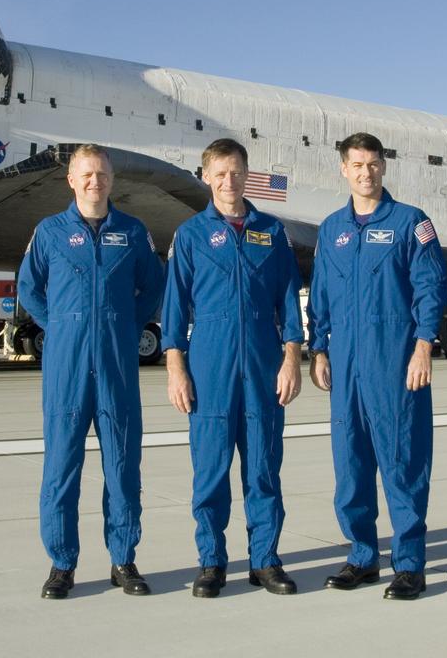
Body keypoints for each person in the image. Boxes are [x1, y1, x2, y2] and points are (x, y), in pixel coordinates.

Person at [17, 144, 165, 600]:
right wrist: (62, 326)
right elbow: (30, 288)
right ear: (71, 179)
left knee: (122, 465)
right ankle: (62, 563)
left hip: (118, 366)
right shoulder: (49, 233)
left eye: (101, 173)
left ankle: (123, 558)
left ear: (111, 179)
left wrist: (122, 326)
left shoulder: (133, 232)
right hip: (67, 367)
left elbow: (153, 289)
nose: (94, 181)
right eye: (86, 174)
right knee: (62, 466)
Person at [307, 132, 447, 601]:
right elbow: (322, 293)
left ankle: (409, 563)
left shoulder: (412, 223)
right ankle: (362, 556)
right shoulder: (331, 229)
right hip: (344, 361)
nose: (365, 172)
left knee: (402, 459)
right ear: (343, 170)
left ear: (383, 167)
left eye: (373, 164)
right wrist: (320, 349)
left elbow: (431, 289)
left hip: (395, 360)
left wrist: (424, 346)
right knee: (350, 462)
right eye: (357, 164)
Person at [162, 138, 304, 598]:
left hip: (264, 367)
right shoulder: (189, 235)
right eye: (220, 173)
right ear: (205, 177)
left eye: (236, 172)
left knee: (263, 470)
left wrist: (291, 359)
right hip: (210, 368)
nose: (229, 181)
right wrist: (175, 368)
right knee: (210, 472)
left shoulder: (272, 231)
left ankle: (264, 560)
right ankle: (211, 562)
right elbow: (174, 308)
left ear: (248, 174)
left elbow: (289, 300)